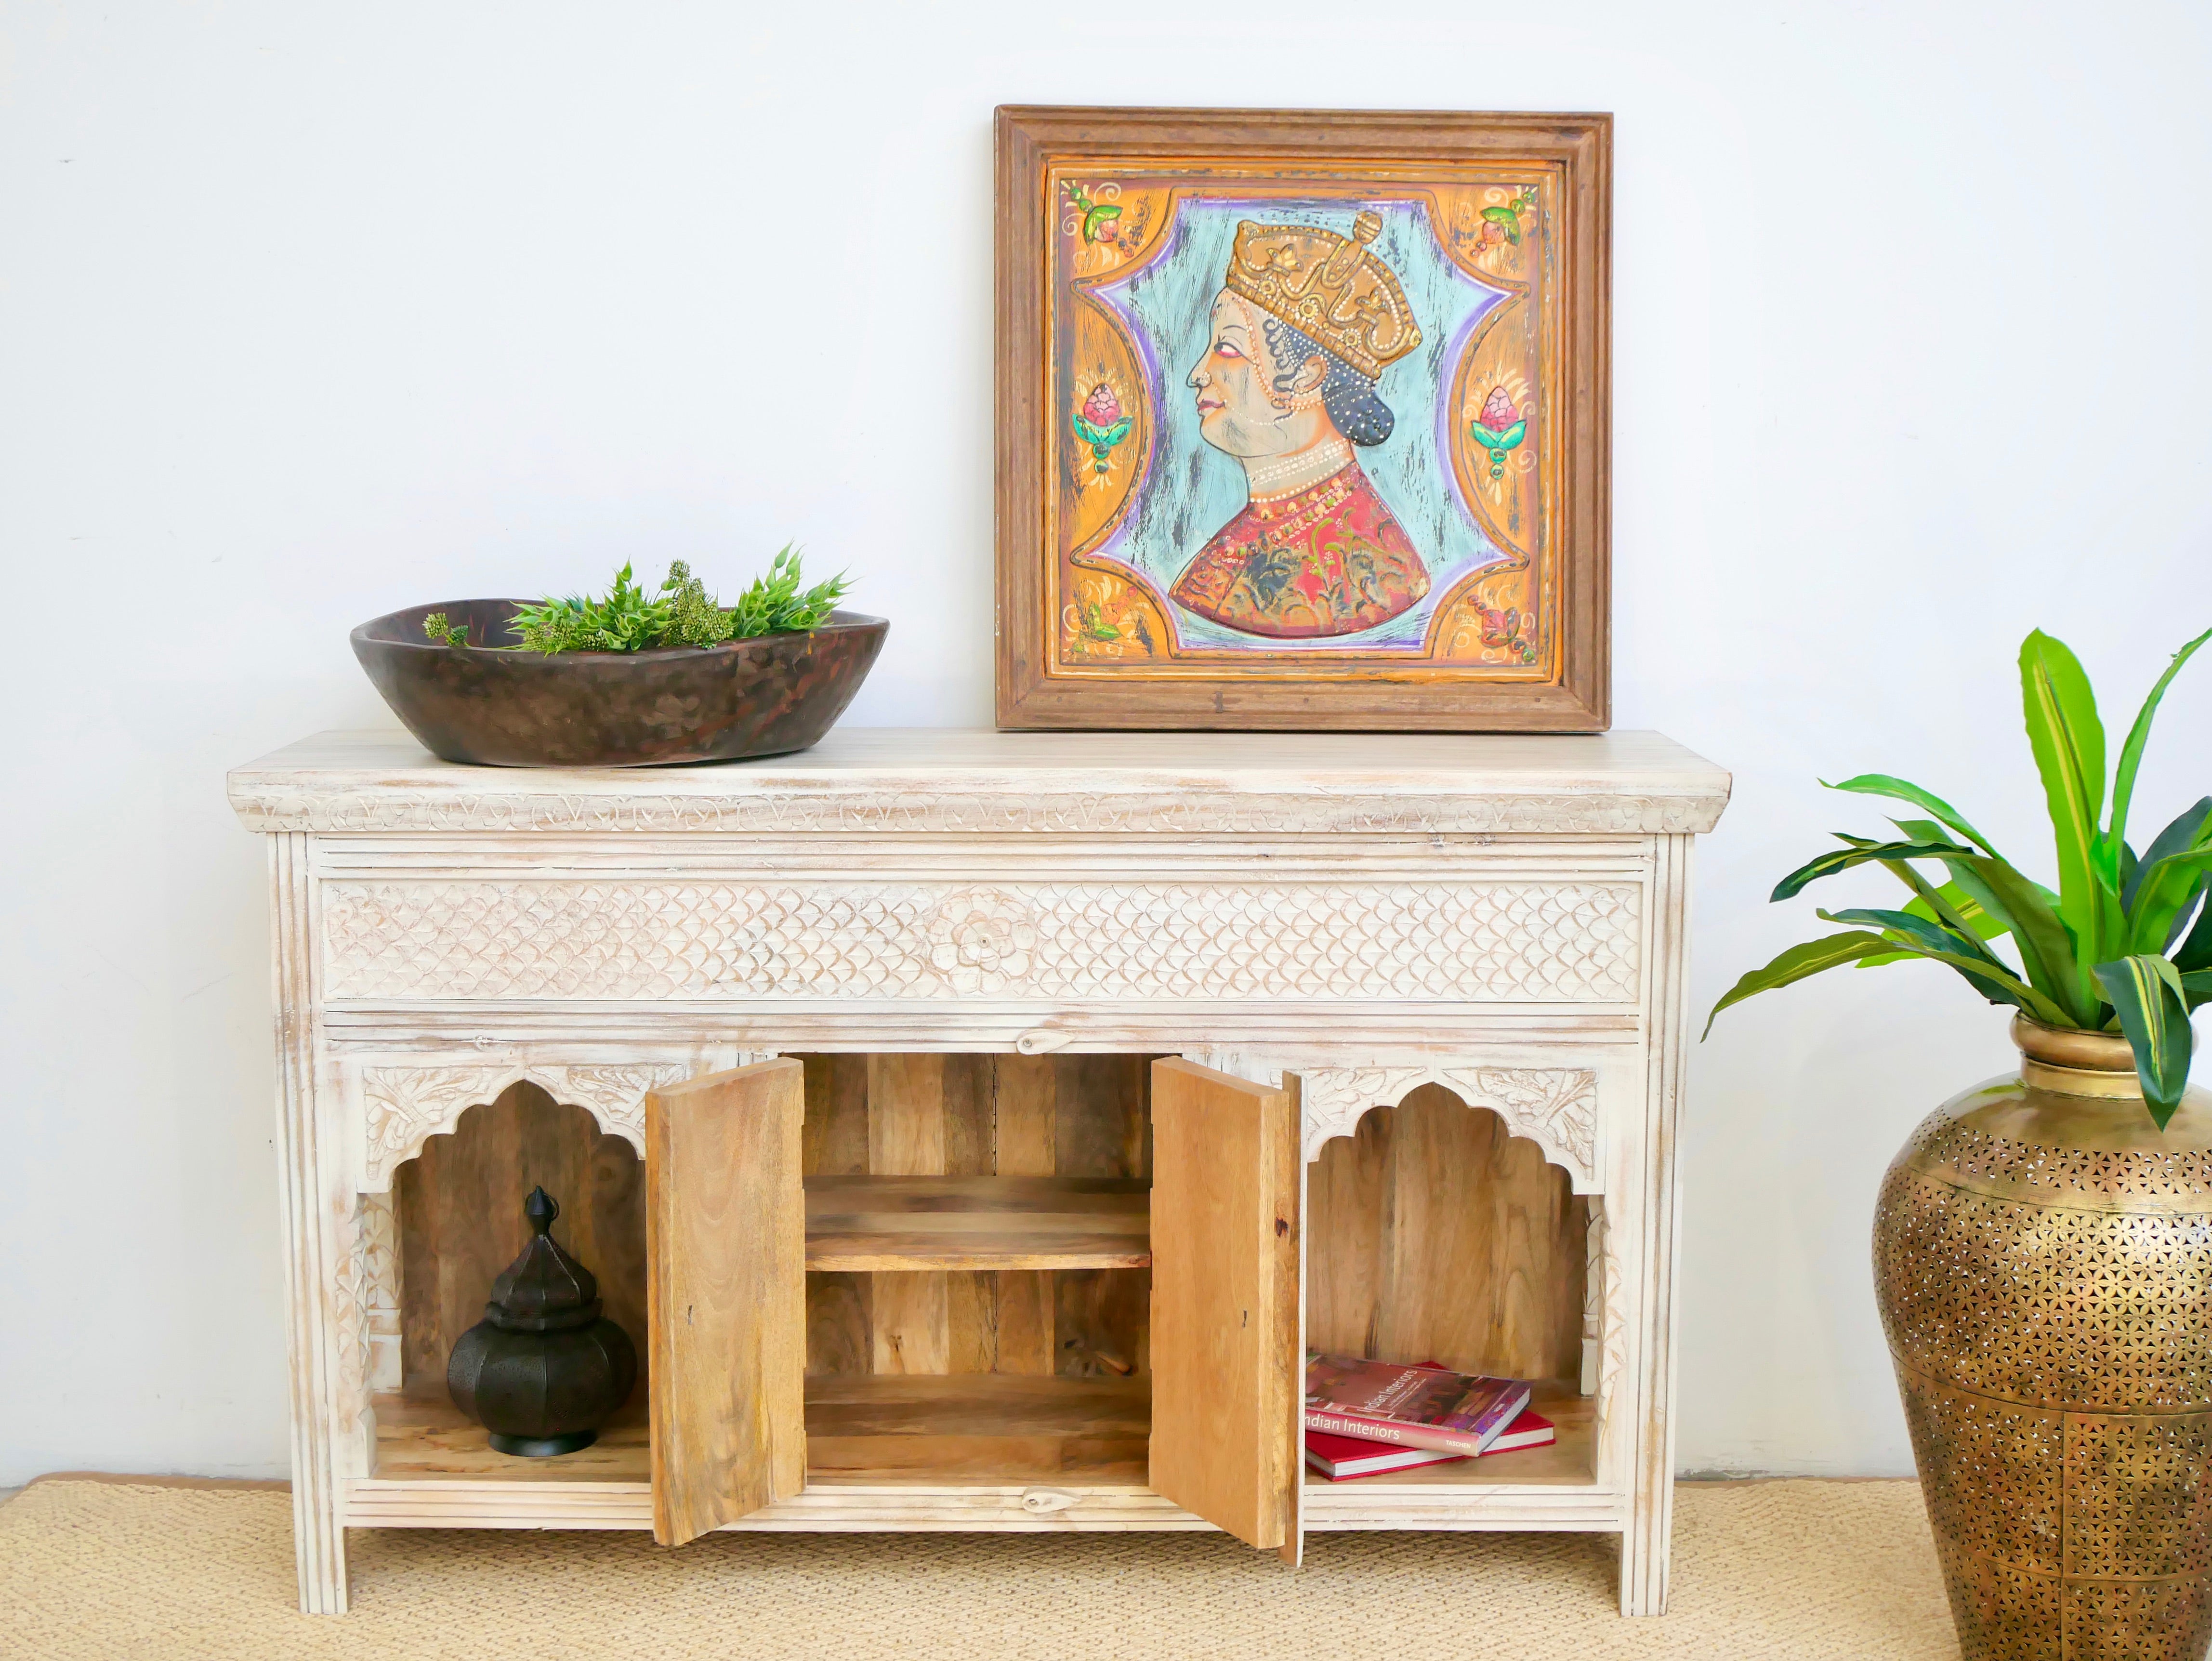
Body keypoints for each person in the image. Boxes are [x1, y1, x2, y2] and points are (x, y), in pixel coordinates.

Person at [1171, 211, 1428, 639]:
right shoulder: (1246, 535)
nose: (1199, 372)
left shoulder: (1371, 569)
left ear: (1308, 377)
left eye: (1228, 349)